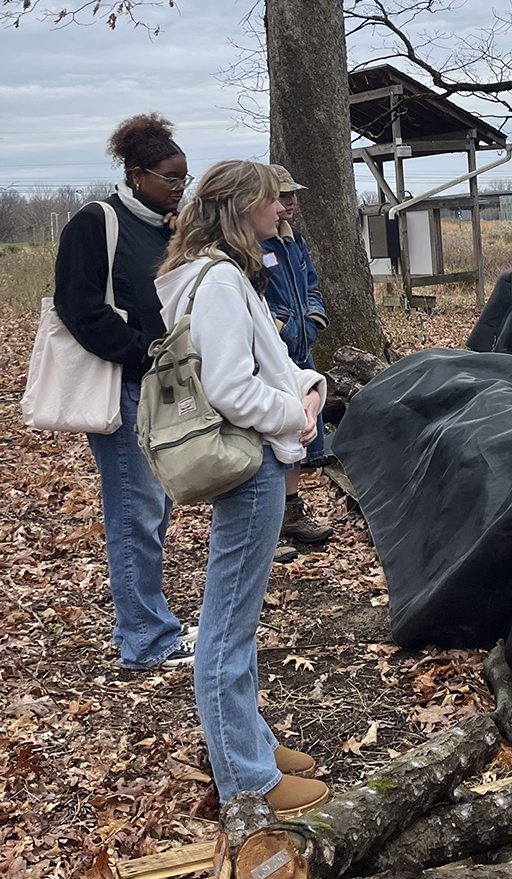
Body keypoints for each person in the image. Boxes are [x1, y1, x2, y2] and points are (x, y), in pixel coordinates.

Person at [155, 160, 329, 816]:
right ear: (238, 209)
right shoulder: (222, 279)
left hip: (253, 456)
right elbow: (229, 387)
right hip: (251, 461)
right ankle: (247, 777)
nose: (282, 208)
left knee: (238, 619)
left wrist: (301, 388)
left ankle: (249, 740)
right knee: (227, 627)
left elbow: (262, 364)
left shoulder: (215, 272)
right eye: (269, 200)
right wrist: (296, 413)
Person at [53, 113, 197, 670]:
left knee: (154, 507)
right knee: (133, 511)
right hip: (121, 387)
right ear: (136, 174)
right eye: (170, 177)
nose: (179, 186)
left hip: (163, 386)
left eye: (185, 176)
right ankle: (144, 639)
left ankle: (150, 622)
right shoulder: (97, 222)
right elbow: (79, 307)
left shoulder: (165, 225)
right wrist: (142, 351)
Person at [261, 164, 334, 547]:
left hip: (301, 350)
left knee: (299, 433)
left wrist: (313, 320)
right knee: (272, 437)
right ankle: (266, 523)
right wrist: (279, 330)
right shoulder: (254, 243)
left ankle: (291, 512)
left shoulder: (294, 239)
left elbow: (310, 284)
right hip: (272, 355)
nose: (289, 203)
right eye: (281, 195)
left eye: (292, 195)